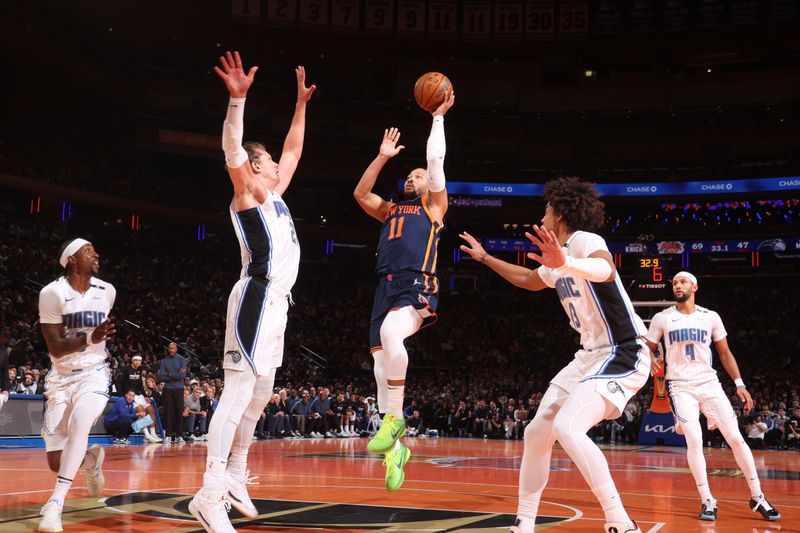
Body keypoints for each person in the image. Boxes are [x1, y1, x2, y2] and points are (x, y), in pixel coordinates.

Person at [459, 177, 650, 533]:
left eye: (547, 209)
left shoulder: (583, 242)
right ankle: (525, 522)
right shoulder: (557, 255)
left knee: (567, 427)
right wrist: (486, 258)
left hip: (623, 350)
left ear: (560, 213)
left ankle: (621, 522)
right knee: (537, 433)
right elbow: (531, 280)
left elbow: (606, 269)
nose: (543, 213)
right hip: (589, 356)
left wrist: (567, 262)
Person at [188, 50, 315, 533]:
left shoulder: (277, 196)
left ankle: (237, 473)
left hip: (278, 305)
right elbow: (232, 151)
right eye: (269, 163)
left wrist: (300, 104)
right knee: (238, 392)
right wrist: (237, 102)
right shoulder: (246, 191)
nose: (279, 166)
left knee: (261, 394)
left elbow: (296, 149)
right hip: (256, 297)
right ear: (257, 167)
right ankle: (209, 490)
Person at [353, 90, 455, 492]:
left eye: (417, 175)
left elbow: (435, 161)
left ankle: (394, 419)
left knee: (392, 335)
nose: (412, 178)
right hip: (385, 286)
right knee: (380, 368)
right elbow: (361, 194)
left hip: (417, 281)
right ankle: (396, 449)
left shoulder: (435, 207)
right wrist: (382, 157)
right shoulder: (391, 209)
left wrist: (438, 118)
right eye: (409, 175)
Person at [645, 271, 780, 522]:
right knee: (694, 440)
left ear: (694, 286)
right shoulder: (662, 318)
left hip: (710, 383)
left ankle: (757, 496)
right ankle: (708, 500)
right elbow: (646, 347)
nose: (678, 285)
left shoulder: (711, 317)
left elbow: (725, 353)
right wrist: (651, 358)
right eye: (674, 282)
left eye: (683, 281)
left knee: (737, 440)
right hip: (679, 386)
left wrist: (739, 384)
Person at [37, 238, 116, 532]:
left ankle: (55, 504)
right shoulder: (52, 293)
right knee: (56, 462)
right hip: (60, 378)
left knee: (81, 424)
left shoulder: (107, 291)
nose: (96, 254)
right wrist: (88, 338)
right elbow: (56, 347)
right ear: (72, 259)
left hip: (94, 373)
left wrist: (93, 344)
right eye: (88, 250)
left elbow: (97, 340)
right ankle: (92, 459)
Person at [118, 355, 161, 442]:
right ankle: (146, 435)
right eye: (136, 360)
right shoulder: (126, 369)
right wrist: (122, 395)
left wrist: (145, 396)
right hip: (130, 396)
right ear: (132, 361)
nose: (137, 362)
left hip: (139, 395)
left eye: (139, 360)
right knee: (141, 411)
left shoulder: (139, 370)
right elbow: (118, 382)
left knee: (151, 409)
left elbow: (141, 385)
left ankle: (153, 433)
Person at [158, 342, 187, 443]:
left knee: (179, 412)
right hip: (168, 390)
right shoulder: (164, 361)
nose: (171, 350)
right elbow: (161, 377)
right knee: (168, 412)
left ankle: (180, 435)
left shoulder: (182, 360)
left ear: (176, 349)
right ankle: (168, 435)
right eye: (170, 348)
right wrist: (175, 374)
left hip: (179, 389)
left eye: (173, 348)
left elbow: (182, 376)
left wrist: (169, 374)